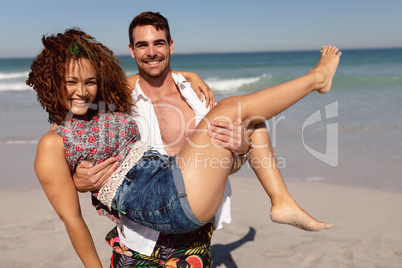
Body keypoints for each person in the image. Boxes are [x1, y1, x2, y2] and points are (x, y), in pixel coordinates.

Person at [27, 27, 340, 267]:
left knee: (249, 122)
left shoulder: (108, 106)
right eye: (71, 82)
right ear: (52, 82)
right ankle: (316, 79)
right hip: (161, 204)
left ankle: (281, 201)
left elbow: (151, 74)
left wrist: (189, 75)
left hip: (174, 191)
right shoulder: (53, 144)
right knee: (232, 108)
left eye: (89, 82)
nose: (82, 91)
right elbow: (73, 220)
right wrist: (80, 184)